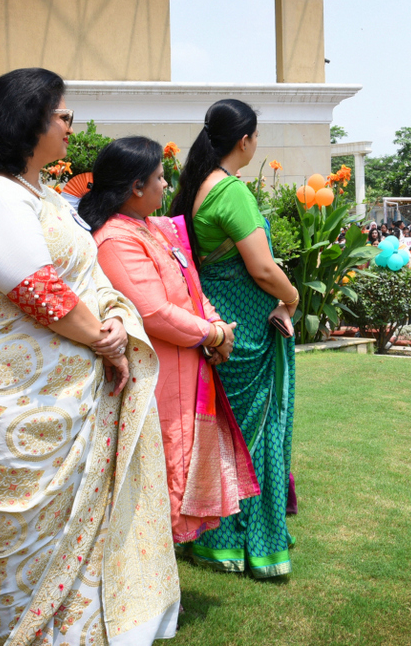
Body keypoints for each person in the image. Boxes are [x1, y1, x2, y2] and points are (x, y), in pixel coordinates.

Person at [0, 68, 179, 644]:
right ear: (28, 120)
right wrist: (103, 339)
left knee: (85, 536)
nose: (71, 127)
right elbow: (37, 289)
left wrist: (118, 324)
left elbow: (91, 278)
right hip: (12, 401)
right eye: (63, 115)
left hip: (73, 398)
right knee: (20, 541)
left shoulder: (49, 198)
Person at [80, 137, 259, 545]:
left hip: (189, 365)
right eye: (159, 178)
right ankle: (150, 585)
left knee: (181, 464)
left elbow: (192, 287)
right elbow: (155, 312)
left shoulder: (155, 228)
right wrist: (212, 333)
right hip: (160, 376)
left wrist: (216, 326)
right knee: (163, 472)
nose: (166, 185)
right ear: (135, 187)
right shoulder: (116, 239)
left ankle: (161, 582)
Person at [169, 99, 298, 578]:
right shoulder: (231, 193)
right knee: (258, 437)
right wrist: (294, 295)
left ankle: (217, 542)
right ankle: (260, 549)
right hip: (248, 330)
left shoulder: (195, 189)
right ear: (245, 141)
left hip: (219, 324)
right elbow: (263, 269)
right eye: (256, 136)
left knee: (224, 437)